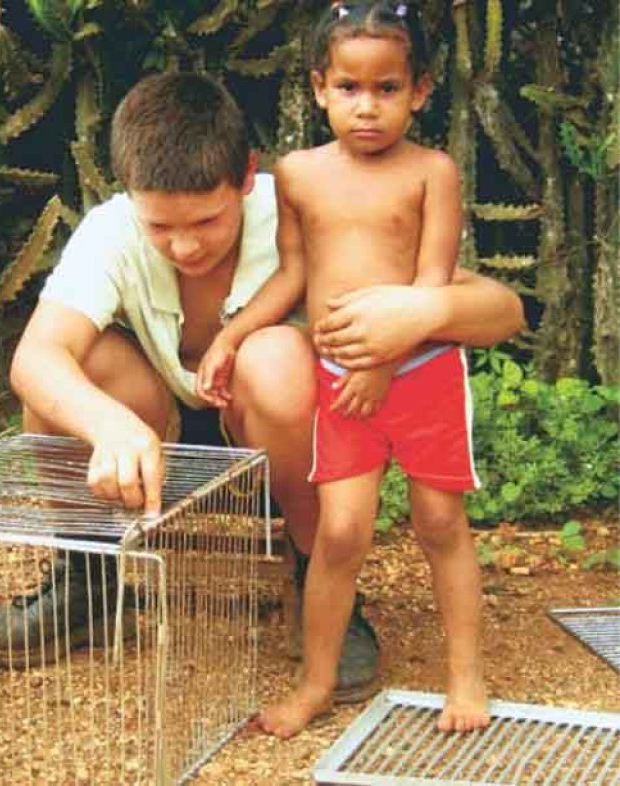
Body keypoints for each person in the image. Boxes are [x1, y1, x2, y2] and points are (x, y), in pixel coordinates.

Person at [0, 70, 523, 701]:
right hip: (152, 437)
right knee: (85, 366)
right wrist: (110, 424)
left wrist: (423, 311)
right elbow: (34, 359)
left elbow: (503, 310)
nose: (185, 246)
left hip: (278, 440)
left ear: (245, 177)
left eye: (208, 220)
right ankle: (87, 574)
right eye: (160, 227)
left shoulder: (301, 202)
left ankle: (314, 578)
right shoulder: (111, 230)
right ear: (129, 193)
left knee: (275, 357)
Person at [246, 1, 493, 738]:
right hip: (338, 376)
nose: (367, 107)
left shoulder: (433, 173)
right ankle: (317, 680)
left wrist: (386, 360)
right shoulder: (296, 173)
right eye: (349, 87)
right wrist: (235, 336)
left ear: (419, 90)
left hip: (421, 373)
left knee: (440, 520)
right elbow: (293, 273)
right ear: (320, 87)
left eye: (387, 89)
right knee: (342, 532)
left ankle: (466, 675)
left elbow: (431, 285)